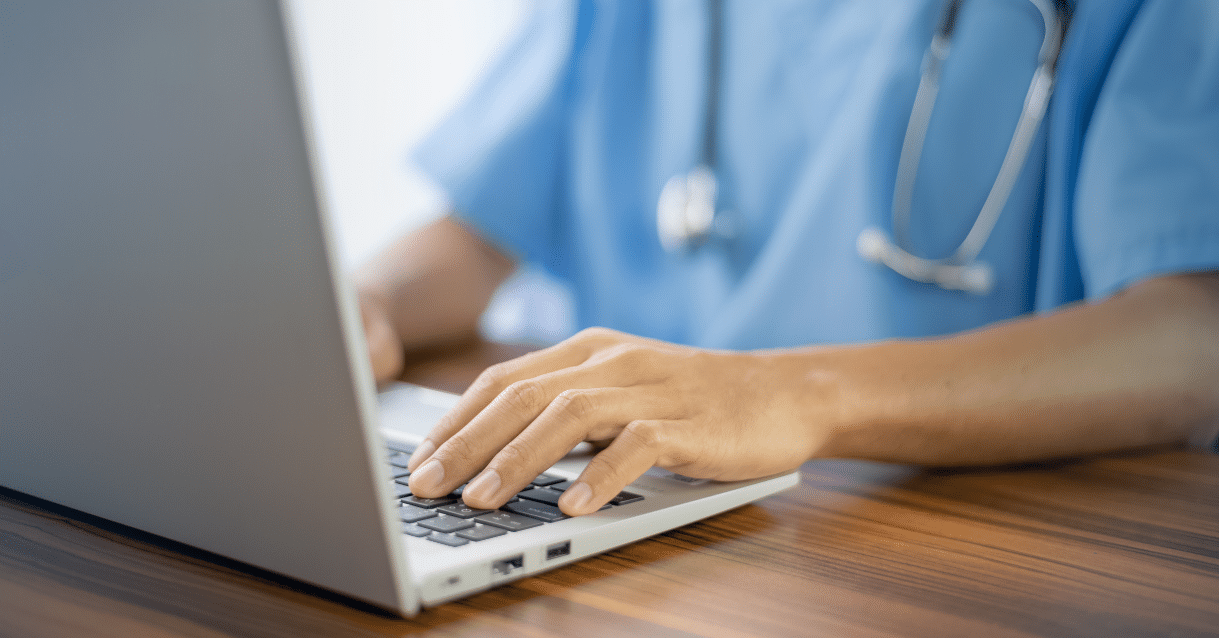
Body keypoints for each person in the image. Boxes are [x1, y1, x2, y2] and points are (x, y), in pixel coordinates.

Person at [355, 0, 1219, 517]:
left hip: (938, 534)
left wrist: (796, 392)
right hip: (614, 505)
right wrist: (365, 303)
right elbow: (482, 226)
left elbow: (1192, 336)